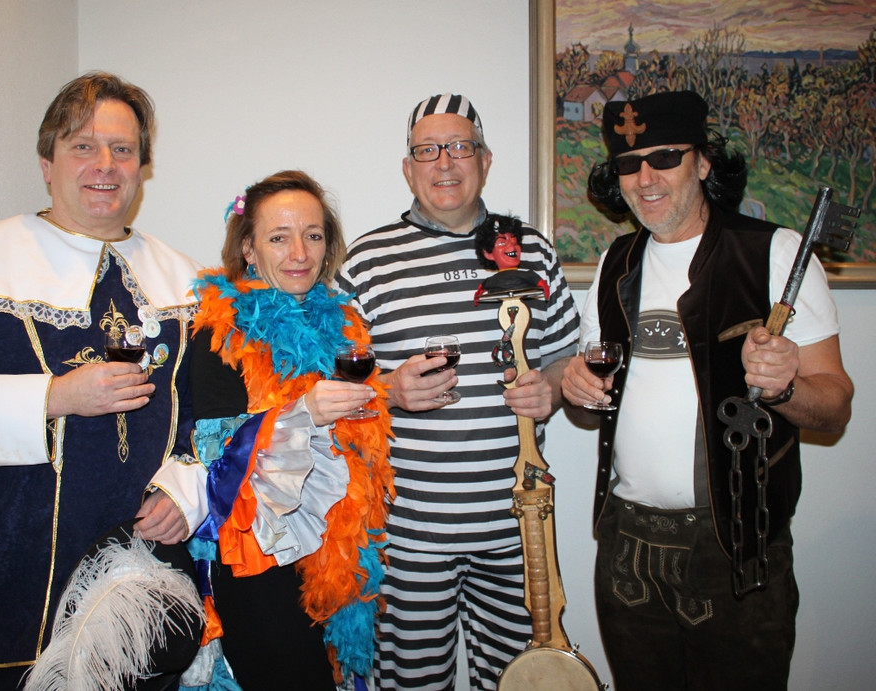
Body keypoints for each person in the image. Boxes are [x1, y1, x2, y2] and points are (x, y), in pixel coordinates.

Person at [0, 71, 208, 691]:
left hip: (140, 578)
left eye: (122, 149)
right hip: (8, 574)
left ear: (142, 168)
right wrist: (54, 397)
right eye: (83, 146)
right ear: (47, 163)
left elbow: (211, 419)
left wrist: (184, 495)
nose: (105, 165)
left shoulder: (189, 285)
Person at [561, 90, 854, 690]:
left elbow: (834, 406)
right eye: (628, 164)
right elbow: (594, 409)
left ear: (702, 162)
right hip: (626, 546)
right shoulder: (615, 264)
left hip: (735, 546)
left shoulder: (774, 252)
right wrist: (578, 389)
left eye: (665, 157)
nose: (645, 178)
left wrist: (784, 387)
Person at [336, 94, 580, 690]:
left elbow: (565, 361)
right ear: (408, 168)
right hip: (408, 535)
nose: (444, 162)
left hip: (516, 528)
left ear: (486, 161)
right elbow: (328, 390)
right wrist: (387, 391)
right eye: (427, 150)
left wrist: (551, 390)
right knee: (413, 684)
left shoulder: (532, 250)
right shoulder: (365, 261)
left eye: (460, 147)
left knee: (522, 680)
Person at [175, 170, 394, 690]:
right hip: (260, 561)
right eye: (279, 237)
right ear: (248, 248)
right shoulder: (221, 331)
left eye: (313, 235)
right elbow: (215, 457)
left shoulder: (342, 325)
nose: (300, 252)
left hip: (337, 552)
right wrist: (304, 414)